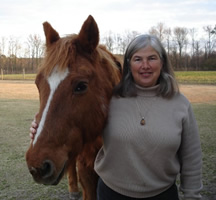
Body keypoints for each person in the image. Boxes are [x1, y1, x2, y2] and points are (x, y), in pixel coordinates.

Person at [30, 34, 203, 200]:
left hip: (163, 195)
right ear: (129, 64)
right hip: (111, 194)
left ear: (162, 62)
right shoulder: (110, 100)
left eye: (152, 58)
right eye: (137, 59)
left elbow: (192, 159)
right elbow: (73, 117)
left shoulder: (180, 105)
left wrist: (192, 196)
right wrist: (41, 129)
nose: (145, 65)